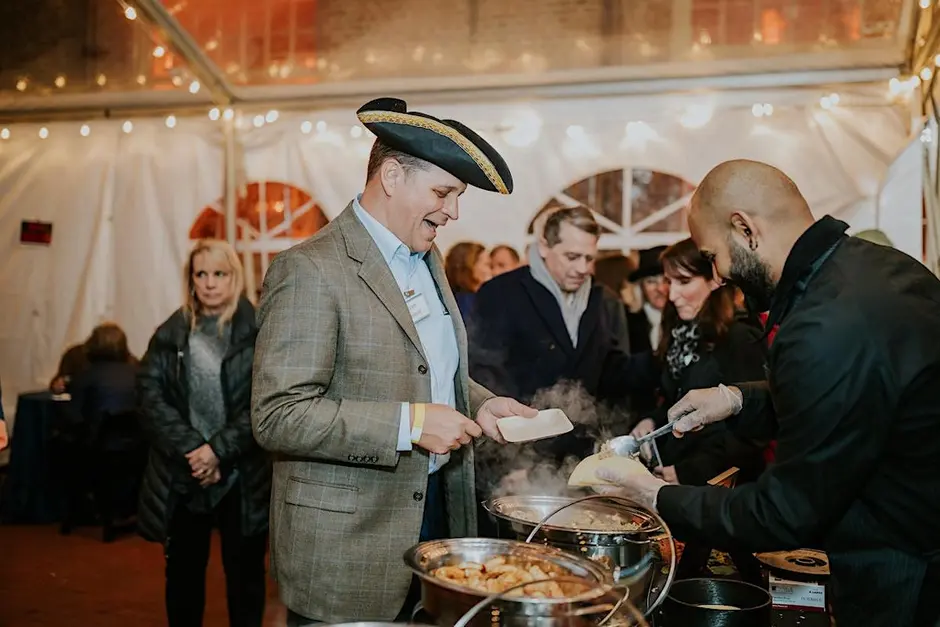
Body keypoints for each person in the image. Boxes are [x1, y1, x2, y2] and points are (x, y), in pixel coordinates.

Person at [596, 159, 940, 626]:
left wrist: (654, 495)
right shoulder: (876, 268)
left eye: (713, 257)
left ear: (745, 229)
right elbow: (856, 401)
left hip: (905, 566)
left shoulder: (825, 322)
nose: (717, 277)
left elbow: (784, 512)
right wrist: (736, 398)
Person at [251, 97, 537, 626]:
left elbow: (430, 368)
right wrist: (410, 423)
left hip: (434, 512)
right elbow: (278, 415)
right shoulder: (310, 269)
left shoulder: (428, 258)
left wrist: (484, 403)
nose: (453, 211)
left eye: (457, 197)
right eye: (443, 193)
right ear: (390, 175)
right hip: (349, 542)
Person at [138, 239, 270, 627]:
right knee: (182, 578)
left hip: (242, 477)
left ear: (235, 277)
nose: (210, 283)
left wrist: (218, 451)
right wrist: (196, 450)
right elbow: (149, 397)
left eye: (220, 274)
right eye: (201, 274)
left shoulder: (257, 331)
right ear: (191, 279)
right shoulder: (171, 331)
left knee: (245, 579)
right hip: (184, 473)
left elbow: (264, 403)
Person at [444, 241, 492, 319]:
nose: (491, 271)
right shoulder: (471, 304)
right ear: (470, 266)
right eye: (487, 265)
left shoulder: (450, 300)